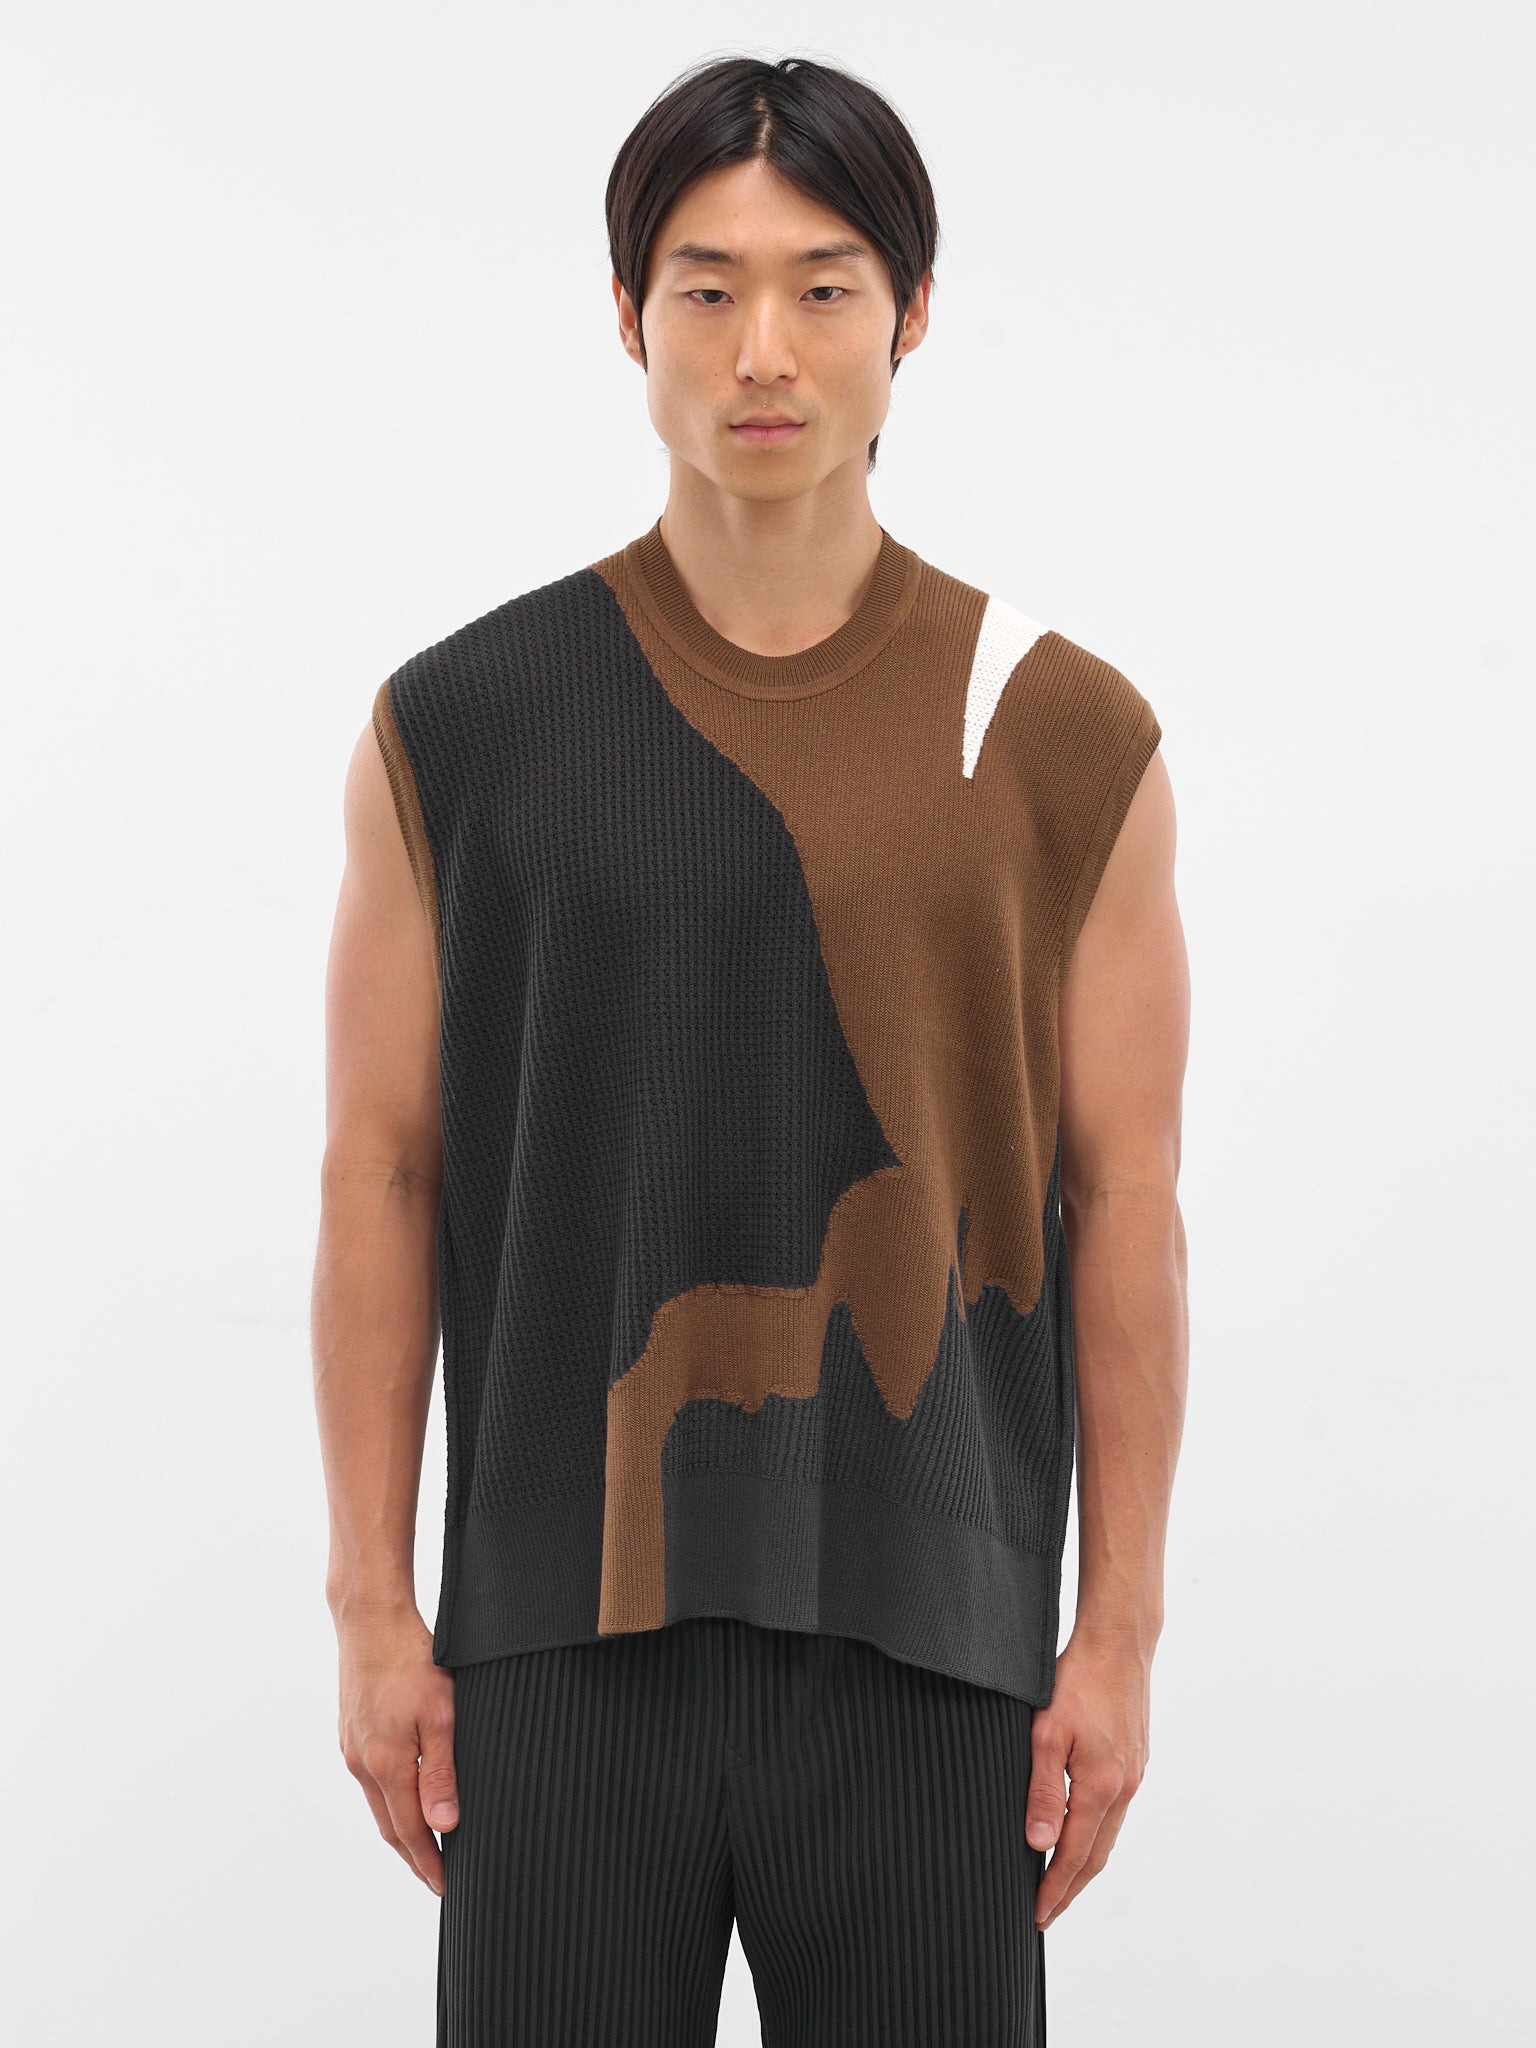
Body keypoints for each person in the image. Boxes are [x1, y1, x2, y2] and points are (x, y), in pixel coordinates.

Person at [313, 50, 1189, 2047]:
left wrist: (1119, 1631)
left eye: (824, 286)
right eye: (706, 288)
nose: (763, 351)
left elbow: (1126, 1190)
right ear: (629, 316)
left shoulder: (1062, 734)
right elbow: (379, 1167)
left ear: (914, 313)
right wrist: (372, 1604)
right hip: (554, 1634)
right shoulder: (461, 724)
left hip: (937, 1642)